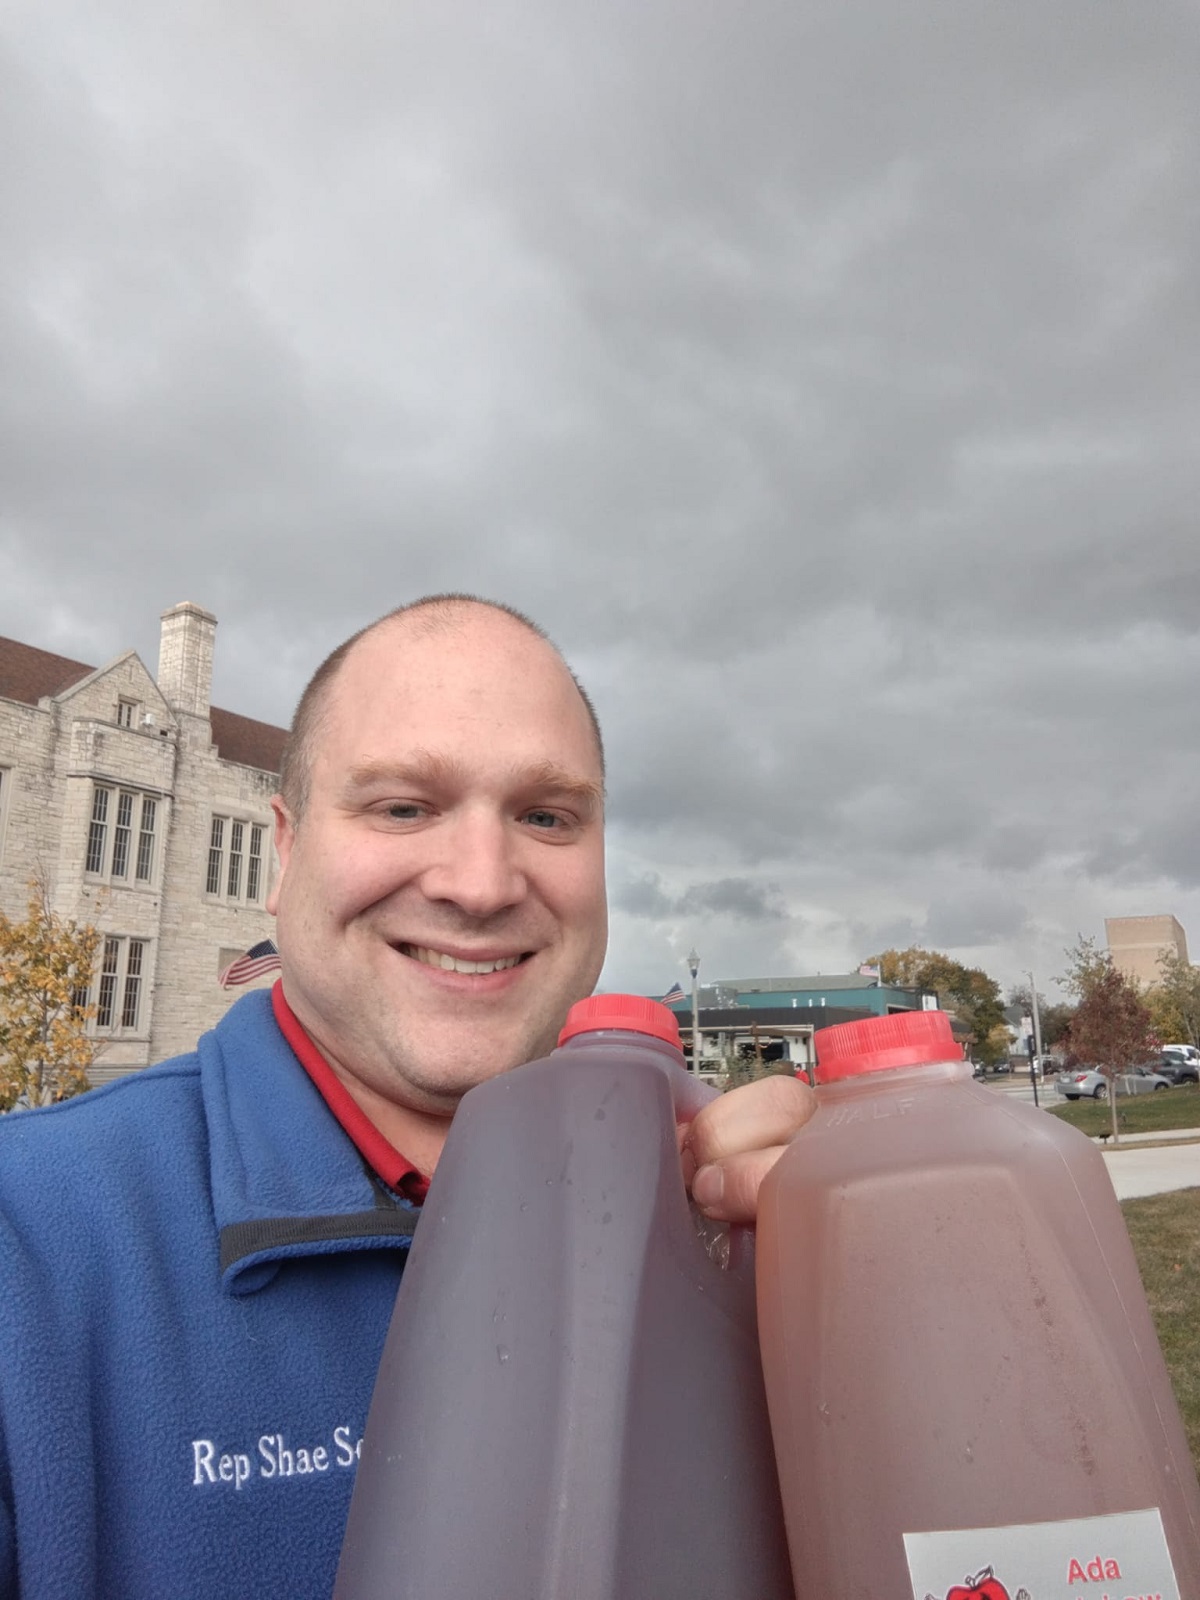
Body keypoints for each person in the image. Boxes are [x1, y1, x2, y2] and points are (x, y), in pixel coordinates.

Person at [0, 595, 813, 1598]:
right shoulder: (28, 1247)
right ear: (283, 851)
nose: (480, 883)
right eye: (402, 806)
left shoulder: (736, 1225)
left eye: (545, 815)